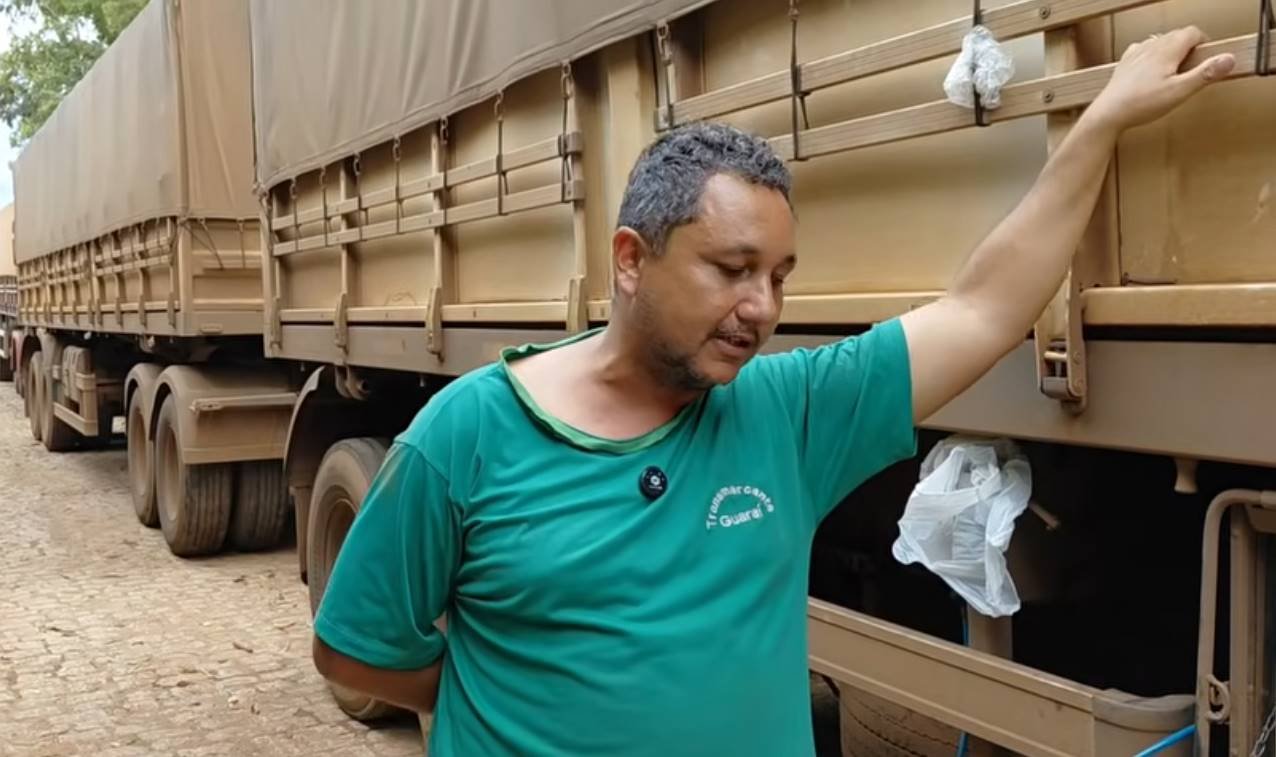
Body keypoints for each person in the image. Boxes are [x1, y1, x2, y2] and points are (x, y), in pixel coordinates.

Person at [310, 27, 1235, 756]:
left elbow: (983, 307)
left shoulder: (788, 412)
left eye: (780, 276)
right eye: (731, 268)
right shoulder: (467, 434)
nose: (761, 308)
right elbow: (356, 649)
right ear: (630, 259)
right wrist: (512, 698)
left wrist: (1100, 123)